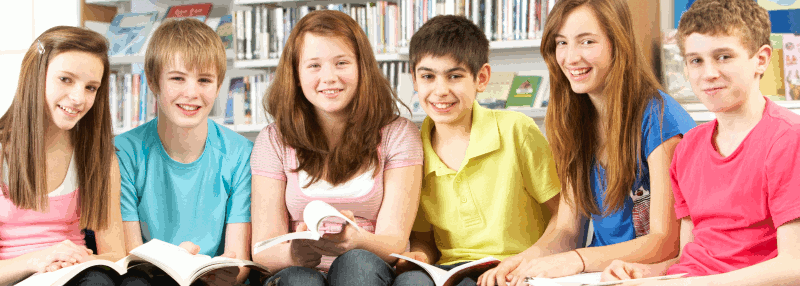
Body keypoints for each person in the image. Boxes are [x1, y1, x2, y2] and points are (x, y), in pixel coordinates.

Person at [480, 0, 698, 285]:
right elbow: (568, 229)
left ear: (617, 44)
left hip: (645, 275)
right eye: (562, 43)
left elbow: (664, 242)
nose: (571, 58)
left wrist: (576, 260)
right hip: (597, 273)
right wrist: (526, 260)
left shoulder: (660, 117)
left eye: (586, 42)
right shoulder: (574, 120)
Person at [600, 0, 800, 284]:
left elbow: (794, 266)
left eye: (724, 57)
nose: (708, 74)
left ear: (761, 59)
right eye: (696, 60)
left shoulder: (788, 139)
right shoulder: (688, 148)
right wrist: (644, 273)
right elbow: (690, 259)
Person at [249, 10, 424, 286]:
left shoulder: (398, 133)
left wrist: (356, 241)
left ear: (361, 68)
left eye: (341, 63)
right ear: (296, 74)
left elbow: (395, 241)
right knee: (299, 281)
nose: (329, 77)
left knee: (355, 262)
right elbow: (262, 249)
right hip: (298, 272)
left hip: (367, 271)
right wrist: (293, 253)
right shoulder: (273, 139)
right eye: (314, 66)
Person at [392, 15, 562, 286]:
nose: (440, 90)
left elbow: (563, 214)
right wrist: (420, 256)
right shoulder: (414, 148)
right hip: (450, 271)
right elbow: (426, 239)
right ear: (414, 79)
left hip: (516, 267)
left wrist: (529, 260)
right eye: (428, 76)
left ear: (481, 78)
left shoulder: (516, 131)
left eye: (455, 76)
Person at [115, 18, 252, 286]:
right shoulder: (124, 153)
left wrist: (227, 276)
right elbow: (129, 257)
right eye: (177, 78)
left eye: (204, 80)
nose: (192, 93)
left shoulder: (240, 153)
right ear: (153, 83)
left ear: (218, 85)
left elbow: (239, 261)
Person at [0, 26, 125, 286]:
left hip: (80, 277)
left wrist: (81, 261)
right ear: (35, 75)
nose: (79, 98)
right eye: (66, 79)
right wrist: (38, 260)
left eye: (91, 87)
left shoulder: (98, 157)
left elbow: (114, 254)